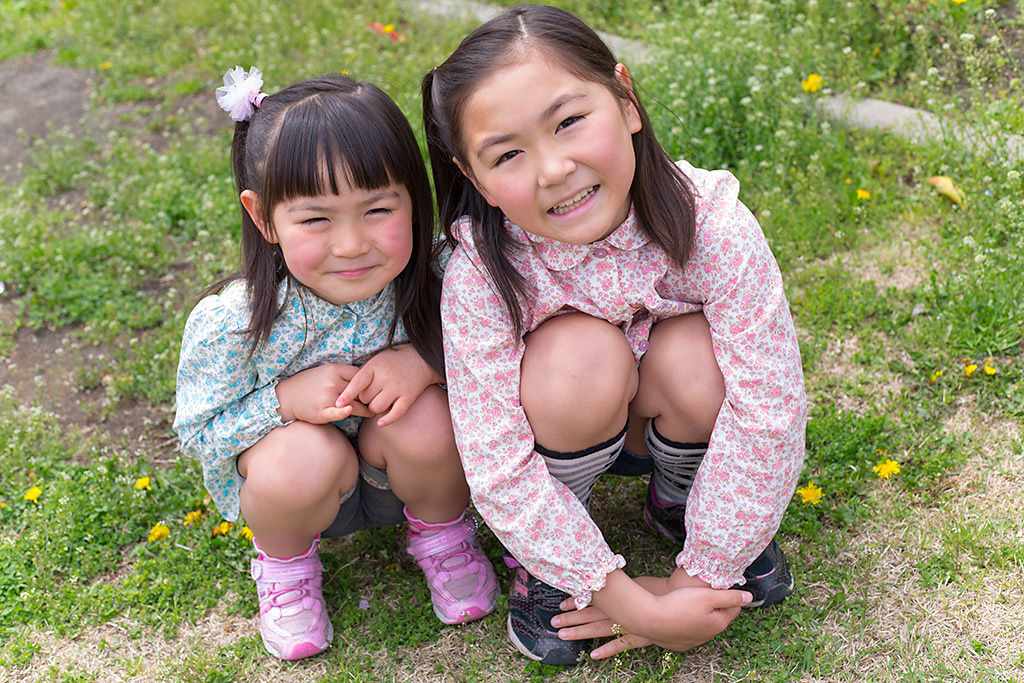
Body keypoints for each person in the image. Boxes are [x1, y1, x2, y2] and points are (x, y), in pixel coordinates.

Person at [422, 5, 806, 666]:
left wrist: (701, 579)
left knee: (698, 358)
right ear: (471, 176)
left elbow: (770, 410)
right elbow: (497, 465)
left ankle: (687, 500)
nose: (552, 169)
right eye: (507, 153)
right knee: (579, 358)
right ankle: (549, 566)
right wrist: (628, 600)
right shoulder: (482, 274)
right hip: (570, 419)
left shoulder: (710, 222)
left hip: (667, 406)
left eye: (569, 121)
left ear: (625, 99)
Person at [174, 67, 498, 662]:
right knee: (301, 454)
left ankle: (445, 537)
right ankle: (287, 573)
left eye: (378, 209)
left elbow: (501, 356)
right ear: (263, 216)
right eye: (316, 219)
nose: (351, 244)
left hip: (407, 475)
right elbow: (199, 433)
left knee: (427, 418)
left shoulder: (447, 277)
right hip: (299, 493)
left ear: (414, 199)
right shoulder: (232, 325)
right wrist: (282, 403)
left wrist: (426, 364)